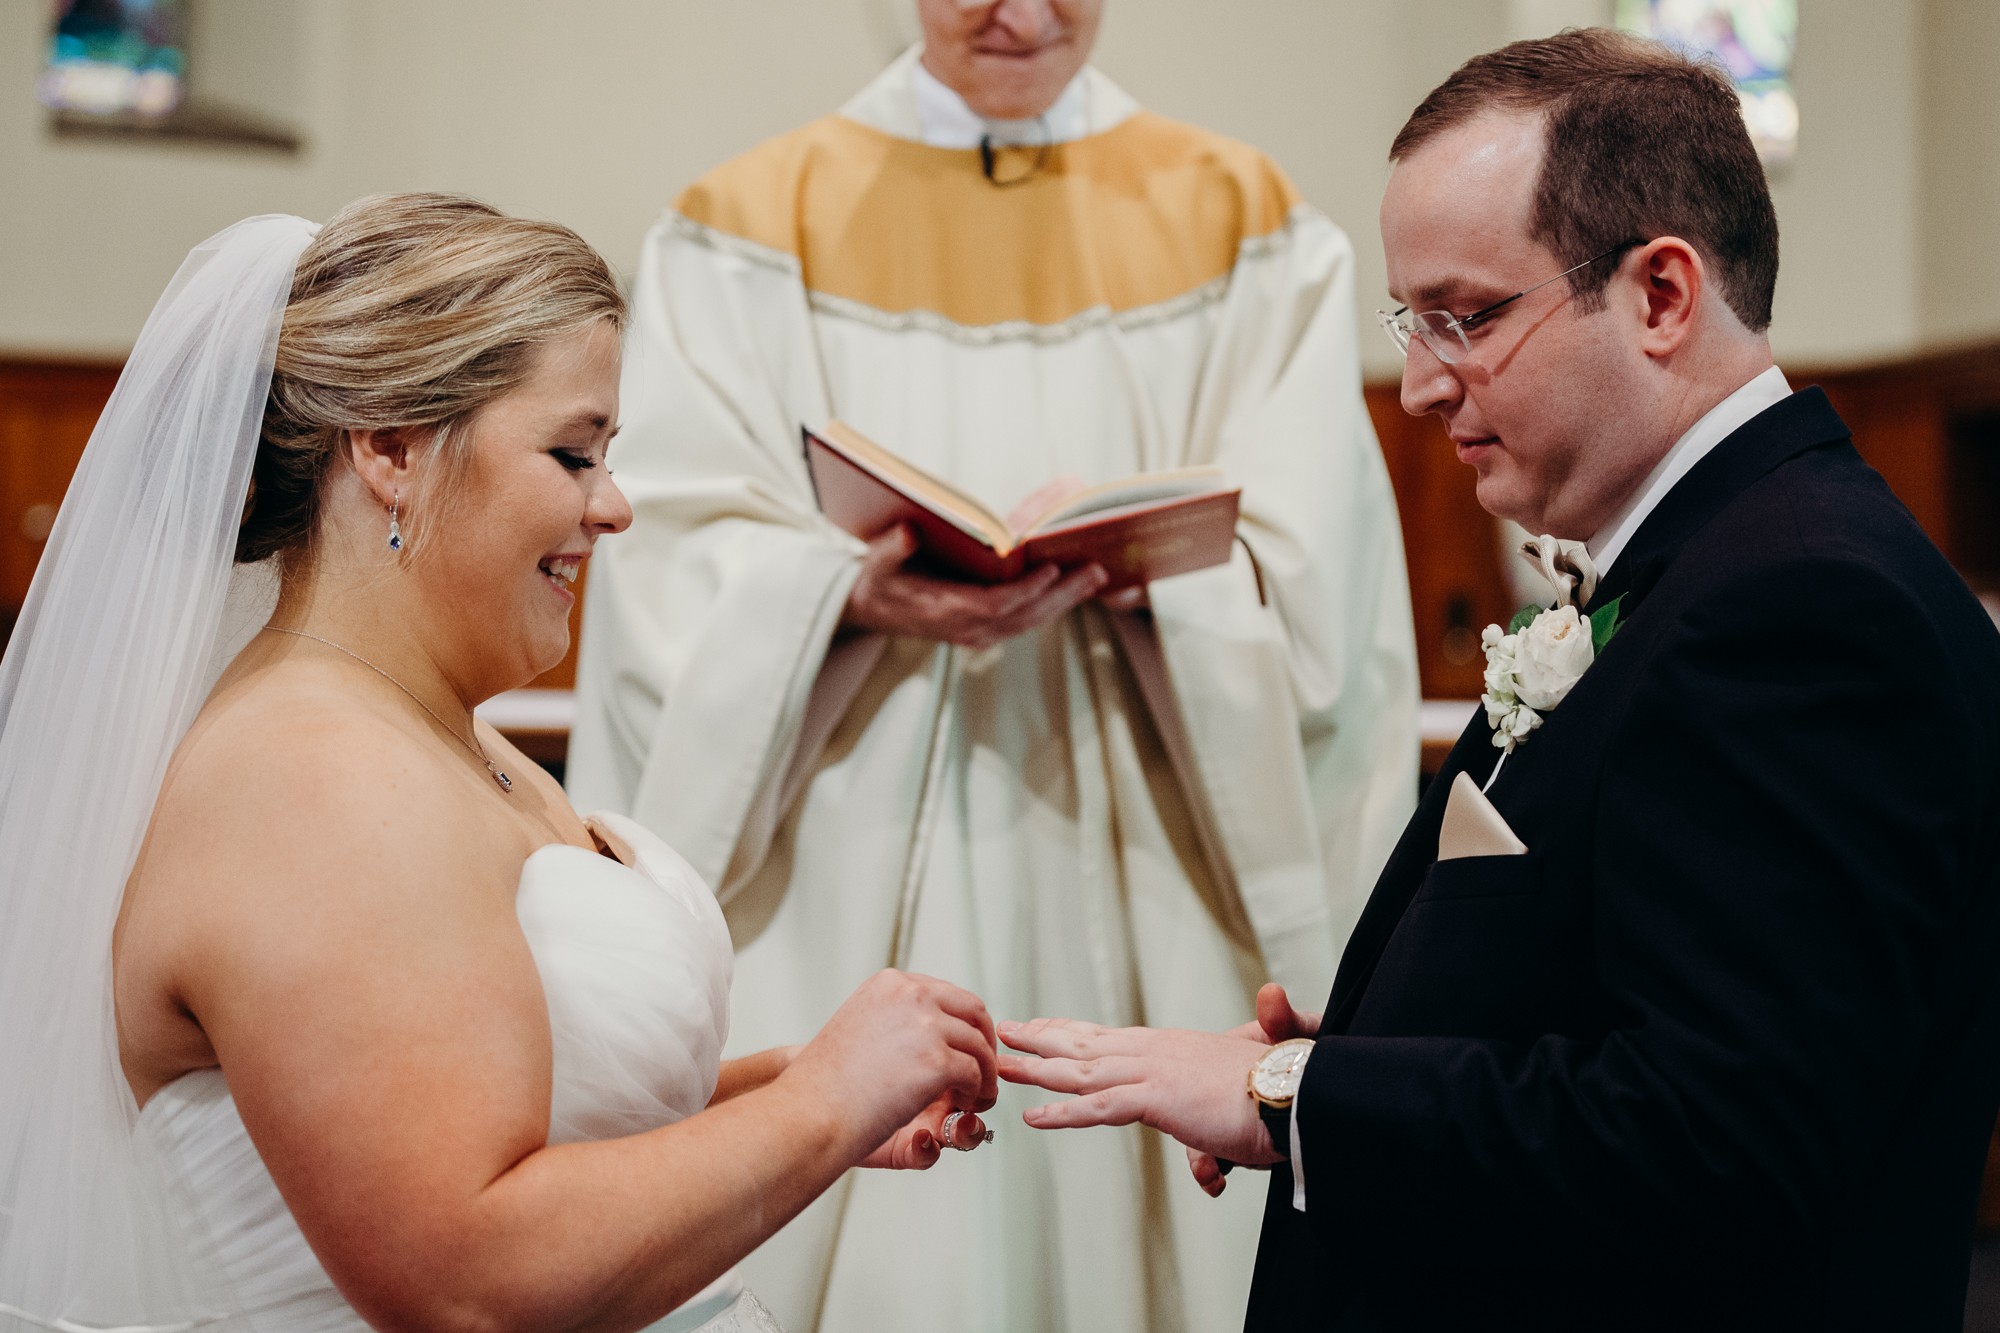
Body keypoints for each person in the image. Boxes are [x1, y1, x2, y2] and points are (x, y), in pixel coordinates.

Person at [996, 29, 2000, 1331]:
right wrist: (1375, 1036)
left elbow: (1722, 1144)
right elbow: (1616, 988)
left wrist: (1295, 1096)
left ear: (1660, 296)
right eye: (1409, 323)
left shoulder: (1803, 609)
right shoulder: (1718, 565)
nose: (1417, 385)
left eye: (1464, 317)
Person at [0, 194, 1001, 1333]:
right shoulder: (314, 778)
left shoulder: (444, 734)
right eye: (573, 452)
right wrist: (822, 1104)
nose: (614, 507)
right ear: (388, 447)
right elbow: (462, 1277)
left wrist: (795, 1087)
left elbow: (504, 1106)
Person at [564, 1, 1419, 1327]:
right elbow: (668, 546)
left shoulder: (1238, 216)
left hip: (1143, 811)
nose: (1013, 10)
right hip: (851, 814)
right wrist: (844, 585)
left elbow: (1316, 571)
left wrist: (1159, 564)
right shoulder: (744, 222)